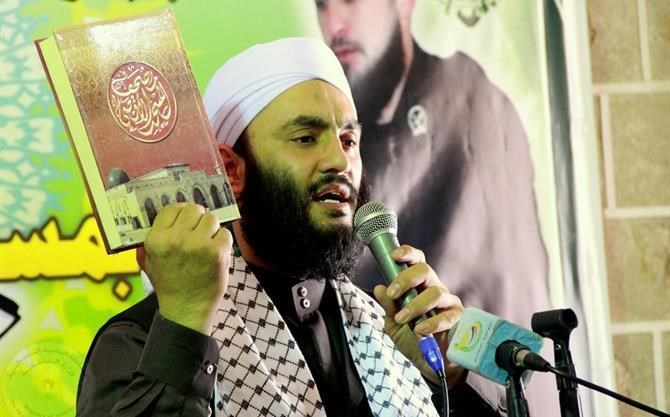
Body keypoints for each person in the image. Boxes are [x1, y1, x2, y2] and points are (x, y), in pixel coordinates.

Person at [76, 37, 505, 416]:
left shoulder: (387, 332)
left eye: (349, 141)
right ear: (232, 170)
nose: (339, 162)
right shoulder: (143, 340)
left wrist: (448, 381)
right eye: (305, 138)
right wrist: (184, 326)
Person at [315, 1, 558, 415]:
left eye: (350, 0)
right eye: (321, 5)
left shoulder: (469, 101)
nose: (335, 23)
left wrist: (455, 370)